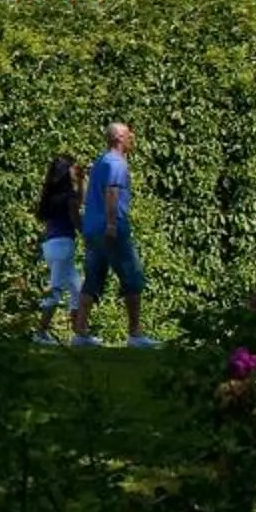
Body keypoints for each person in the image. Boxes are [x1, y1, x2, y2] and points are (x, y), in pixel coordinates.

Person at [72, 121, 158, 347]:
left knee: (93, 277)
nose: (132, 138)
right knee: (132, 276)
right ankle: (135, 334)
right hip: (111, 228)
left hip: (92, 229)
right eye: (129, 135)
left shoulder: (101, 161)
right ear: (119, 138)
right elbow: (111, 192)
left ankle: (80, 333)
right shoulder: (116, 163)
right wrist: (111, 224)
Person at [33, 155, 82, 341]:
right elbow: (77, 219)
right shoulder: (68, 197)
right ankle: (40, 331)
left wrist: (81, 181)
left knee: (77, 287)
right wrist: (91, 234)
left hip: (50, 244)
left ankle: (80, 334)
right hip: (63, 245)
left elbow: (77, 200)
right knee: (55, 290)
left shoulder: (51, 195)